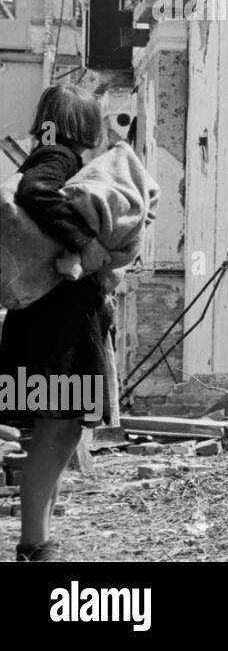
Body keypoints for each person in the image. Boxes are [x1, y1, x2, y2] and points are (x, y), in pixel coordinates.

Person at [0, 85, 114, 562]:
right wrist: (86, 240)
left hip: (52, 323)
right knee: (56, 429)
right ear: (81, 124)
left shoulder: (48, 153)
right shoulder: (56, 155)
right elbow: (36, 192)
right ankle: (33, 543)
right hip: (57, 328)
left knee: (62, 431)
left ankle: (39, 540)